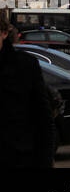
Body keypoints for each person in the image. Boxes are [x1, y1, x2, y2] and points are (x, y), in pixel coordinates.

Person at [0, 15, 54, 168]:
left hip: (18, 157)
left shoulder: (25, 65)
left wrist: (46, 160)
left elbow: (43, 118)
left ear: (4, 33)